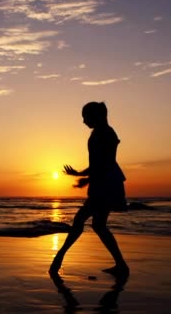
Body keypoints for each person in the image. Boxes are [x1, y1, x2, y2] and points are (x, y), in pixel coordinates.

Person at [49, 101, 129, 277]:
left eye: (85, 117)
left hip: (105, 184)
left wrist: (86, 178)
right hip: (104, 182)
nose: (84, 121)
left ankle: (59, 258)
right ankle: (121, 265)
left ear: (97, 116)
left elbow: (106, 163)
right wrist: (81, 175)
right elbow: (98, 164)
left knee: (80, 221)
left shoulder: (105, 133)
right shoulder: (101, 133)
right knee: (98, 225)